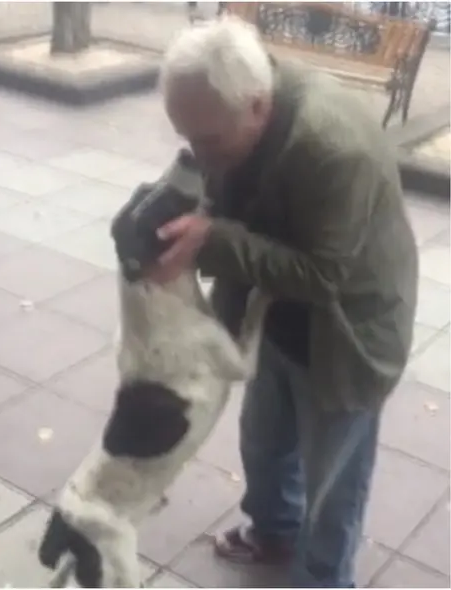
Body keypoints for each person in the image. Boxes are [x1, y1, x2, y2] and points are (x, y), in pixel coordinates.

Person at [149, 16, 419, 589]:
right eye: (188, 139)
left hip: (349, 332)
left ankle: (325, 577)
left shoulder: (332, 148)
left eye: (209, 142)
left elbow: (324, 275)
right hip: (280, 313)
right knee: (265, 439)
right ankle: (273, 530)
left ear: (256, 107)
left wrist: (213, 241)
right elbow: (229, 202)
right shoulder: (234, 116)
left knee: (334, 483)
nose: (200, 155)